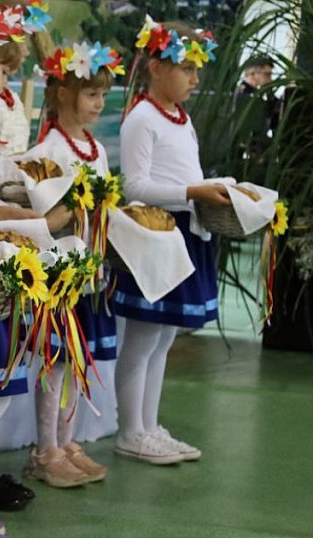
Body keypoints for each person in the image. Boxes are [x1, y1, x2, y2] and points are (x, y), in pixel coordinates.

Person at [113, 17, 230, 465]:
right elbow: (135, 187)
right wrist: (192, 193)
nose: (194, 79)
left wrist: (209, 190)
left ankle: (149, 426)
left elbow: (187, 173)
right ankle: (130, 430)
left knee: (163, 340)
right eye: (186, 68)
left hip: (186, 233)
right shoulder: (142, 119)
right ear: (156, 68)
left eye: (197, 70)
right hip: (158, 234)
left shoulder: (180, 118)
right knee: (142, 337)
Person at [21, 40, 126, 488]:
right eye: (90, 94)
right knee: (56, 359)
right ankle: (45, 449)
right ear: (62, 92)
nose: (99, 104)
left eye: (103, 94)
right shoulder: (49, 150)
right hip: (59, 272)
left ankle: (66, 441)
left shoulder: (95, 149)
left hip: (89, 268)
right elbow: (46, 216)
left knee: (79, 358)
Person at [234, 55, 280, 185]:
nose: (270, 79)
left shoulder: (257, 96)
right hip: (250, 155)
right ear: (253, 74)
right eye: (267, 74)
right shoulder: (245, 98)